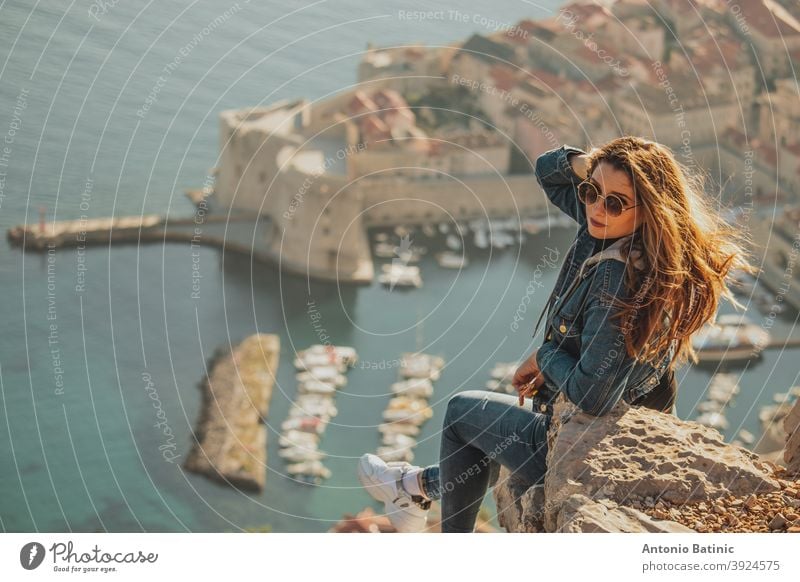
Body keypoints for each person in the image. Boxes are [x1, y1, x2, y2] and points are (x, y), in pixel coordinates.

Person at [357, 136, 755, 533]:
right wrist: (597, 165)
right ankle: (413, 487)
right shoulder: (630, 240)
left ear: (649, 209)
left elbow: (594, 396)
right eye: (590, 192)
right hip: (613, 432)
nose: (598, 207)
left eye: (615, 201)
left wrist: (545, 357)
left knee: (462, 413)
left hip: (580, 445)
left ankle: (426, 510)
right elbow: (547, 171)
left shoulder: (618, 277)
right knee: (482, 428)